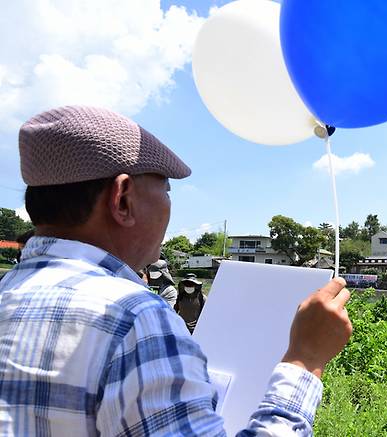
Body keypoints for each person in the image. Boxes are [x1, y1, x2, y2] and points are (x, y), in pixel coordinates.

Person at [0, 106, 352, 436]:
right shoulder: (134, 319)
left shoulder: (8, 291)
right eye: (166, 190)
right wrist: (304, 361)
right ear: (122, 199)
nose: (170, 208)